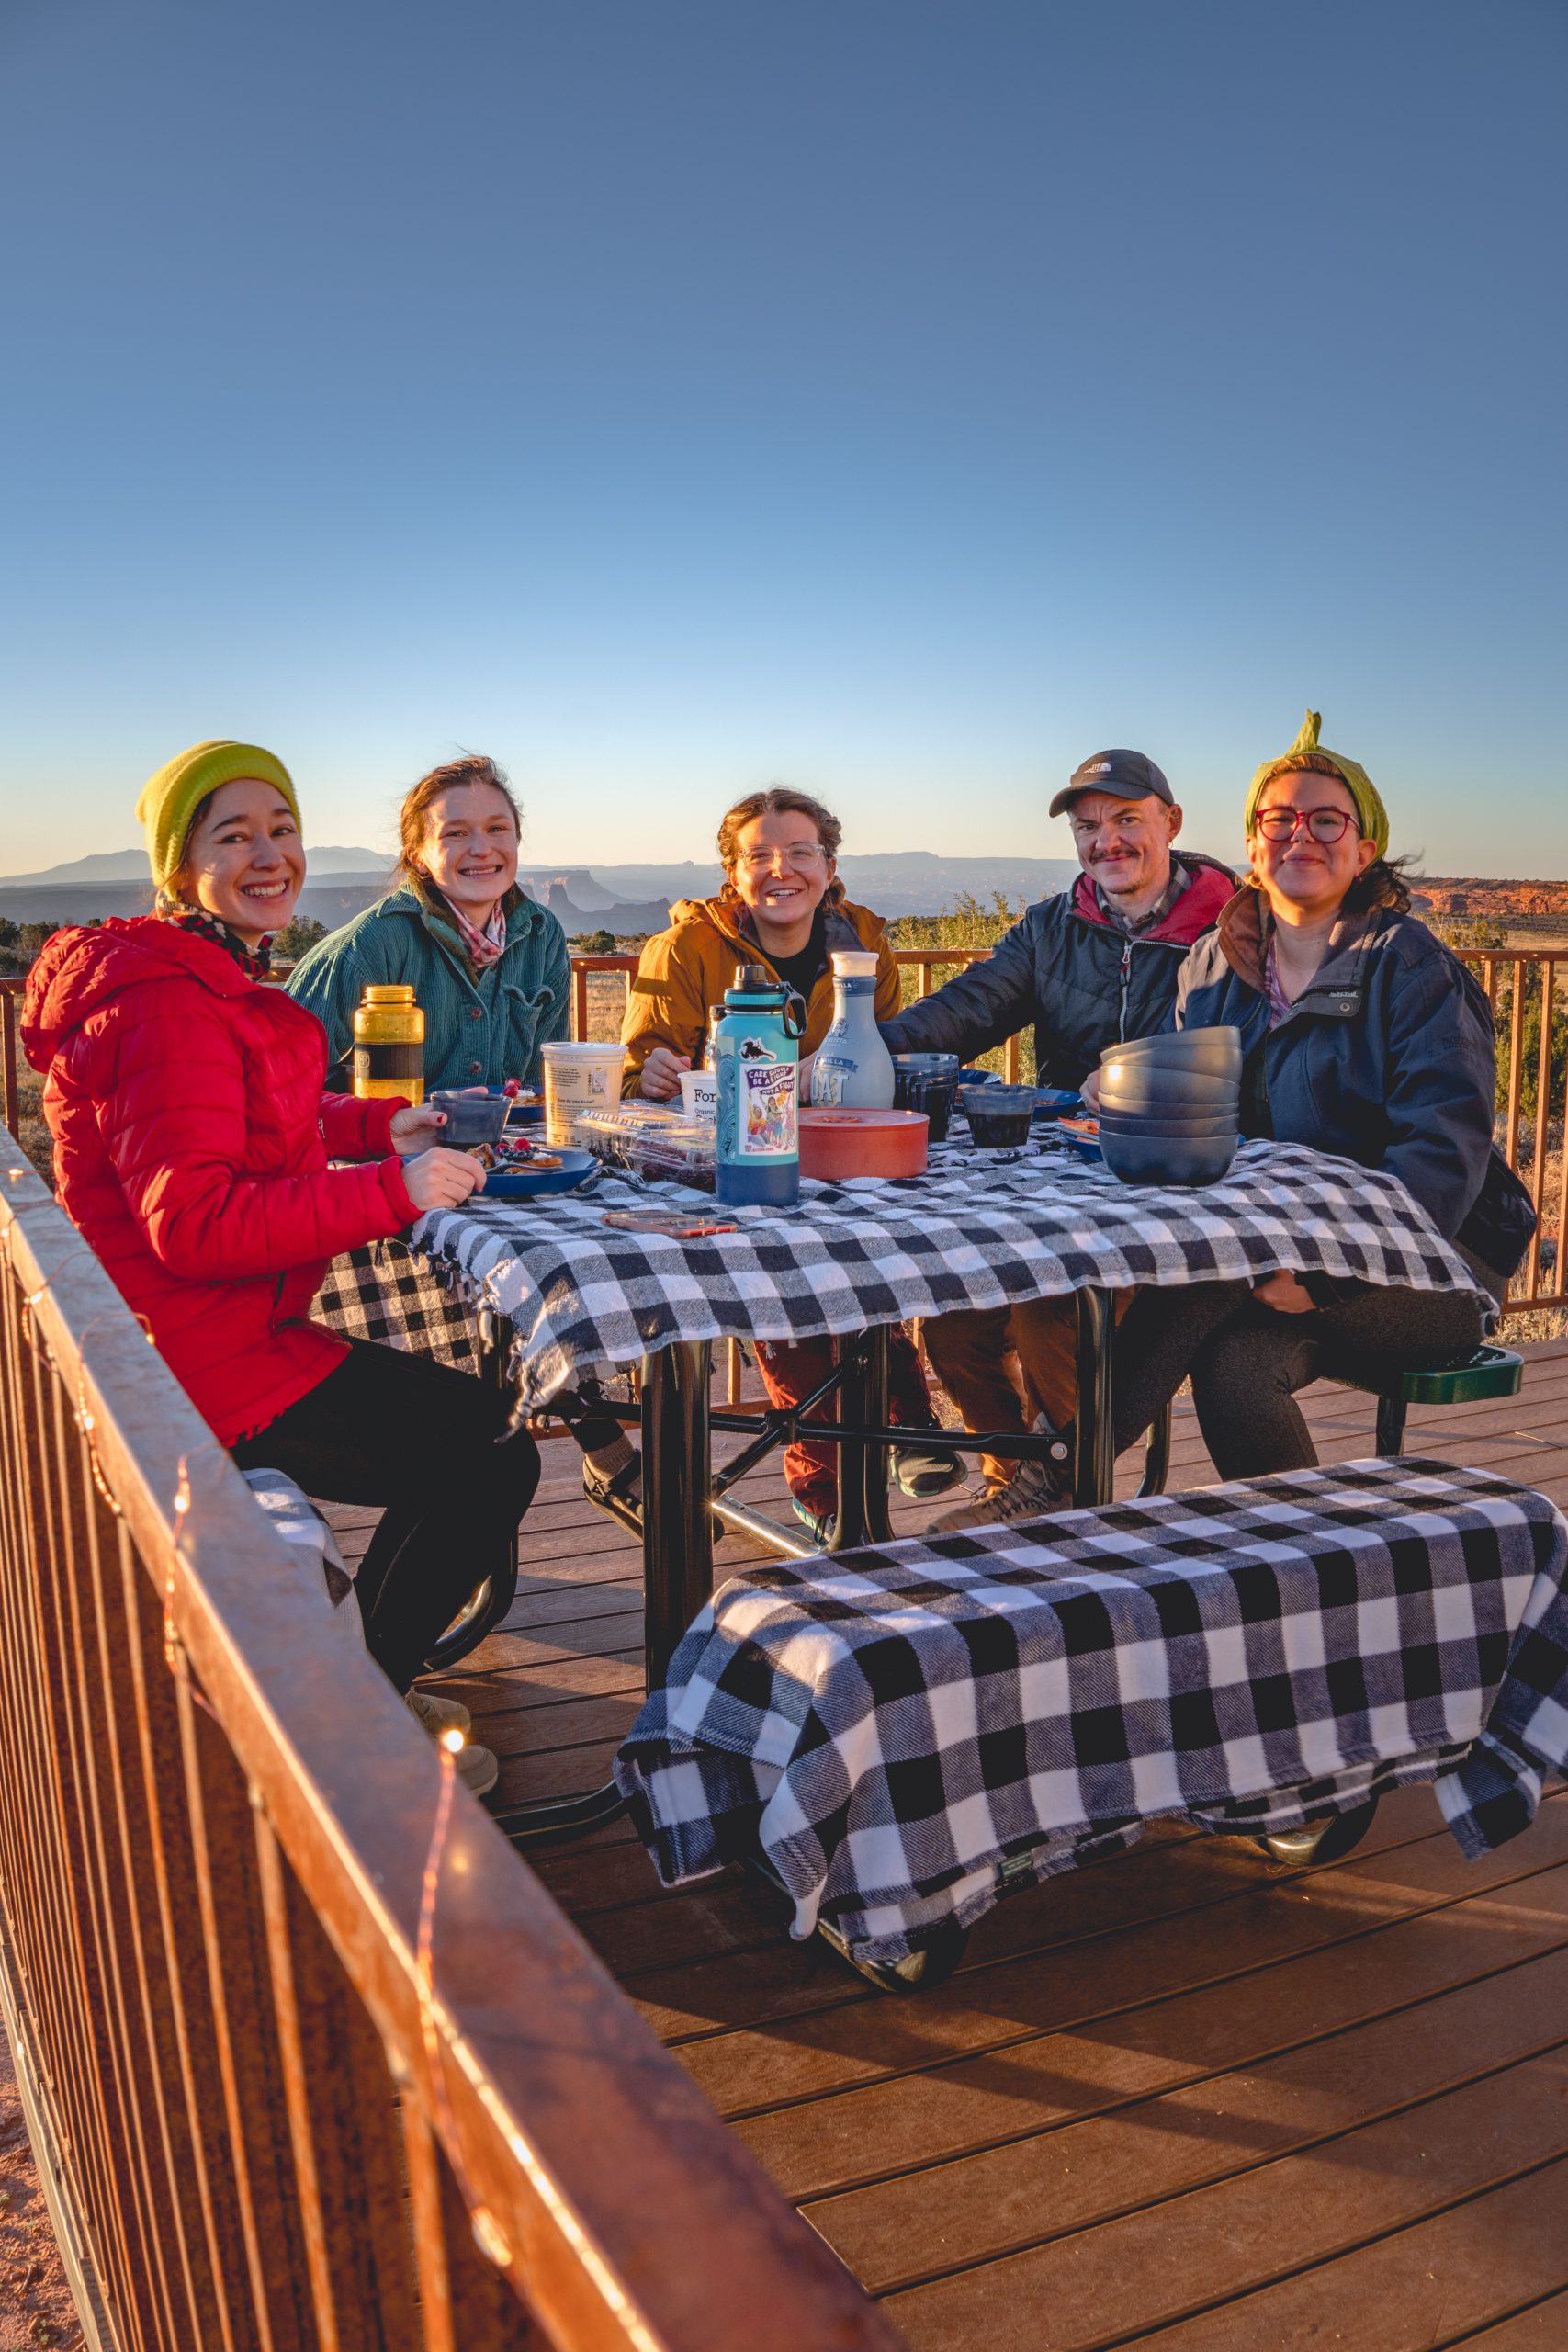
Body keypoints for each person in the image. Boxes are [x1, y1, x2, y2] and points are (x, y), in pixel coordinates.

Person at [21, 739, 539, 1795]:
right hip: (197, 1365)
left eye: (282, 829)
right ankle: (354, 1731)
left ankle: (362, 1688)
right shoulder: (164, 1005)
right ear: (181, 866)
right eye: (234, 835)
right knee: (490, 1453)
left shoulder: (197, 977)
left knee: (477, 1436)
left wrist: (388, 1124)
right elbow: (196, 1225)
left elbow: (272, 1113)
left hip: (208, 1338)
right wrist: (396, 1189)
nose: (271, 855)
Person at [1087, 711, 1535, 1484]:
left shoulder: (1407, 964)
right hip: (1283, 1247)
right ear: (1253, 849)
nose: (1301, 835)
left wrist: (1329, 1276)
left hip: (1431, 1266)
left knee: (1213, 1264)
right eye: (1278, 820)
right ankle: (1305, 1571)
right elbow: (1201, 1109)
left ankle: (1054, 1473)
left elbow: (1442, 1153)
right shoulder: (1209, 966)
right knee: (1231, 1364)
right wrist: (1135, 1095)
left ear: (1363, 851)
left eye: (1326, 820)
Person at [874, 749, 1235, 1527]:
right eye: (1088, 826)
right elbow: (964, 1009)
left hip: (1171, 1191)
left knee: (1048, 1311)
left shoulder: (1235, 929)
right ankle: (1024, 1487)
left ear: (1170, 822)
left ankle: (1068, 1497)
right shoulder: (1050, 929)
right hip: (1063, 1188)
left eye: (1126, 820)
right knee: (952, 1320)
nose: (1106, 841)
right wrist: (863, 1055)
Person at [618, 785, 961, 1539]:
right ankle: (828, 1481)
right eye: (759, 856)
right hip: (729, 1163)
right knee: (784, 1286)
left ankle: (899, 1425)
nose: (782, 869)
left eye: (800, 852)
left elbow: (884, 1049)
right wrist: (652, 1074)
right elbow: (636, 1068)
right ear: (731, 874)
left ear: (829, 864)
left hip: (843, 1151)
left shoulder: (863, 946)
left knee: (878, 1258)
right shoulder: (683, 951)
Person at [285, 751, 570, 1092]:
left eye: (497, 829)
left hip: (511, 1145)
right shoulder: (373, 944)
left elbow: (544, 1088)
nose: (481, 848)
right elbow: (282, 1088)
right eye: (456, 834)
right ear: (418, 857)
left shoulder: (543, 935)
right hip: (388, 1146)